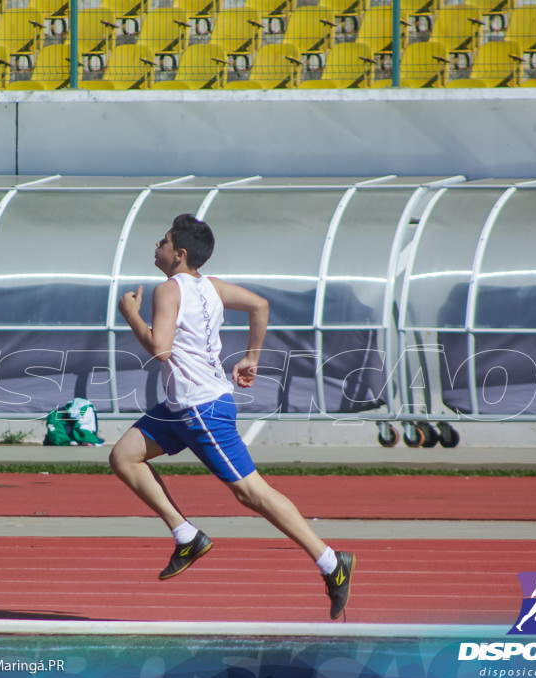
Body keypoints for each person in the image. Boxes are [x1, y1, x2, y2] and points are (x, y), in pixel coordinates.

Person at [110, 213, 355, 621]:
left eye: (163, 241)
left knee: (250, 492)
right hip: (180, 407)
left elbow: (161, 350)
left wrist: (130, 314)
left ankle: (331, 562)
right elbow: (259, 305)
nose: (157, 245)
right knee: (123, 456)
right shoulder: (212, 286)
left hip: (200, 408)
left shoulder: (167, 290)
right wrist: (252, 357)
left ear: (180, 254)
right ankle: (186, 535)